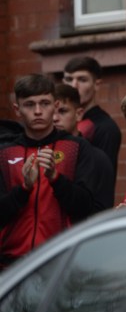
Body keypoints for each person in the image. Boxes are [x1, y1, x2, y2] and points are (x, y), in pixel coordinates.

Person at [0, 74, 107, 267]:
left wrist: (55, 178)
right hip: (12, 265)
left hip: (62, 262)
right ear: (17, 110)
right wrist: (24, 189)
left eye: (45, 103)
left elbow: (87, 208)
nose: (38, 111)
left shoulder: (76, 147)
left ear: (55, 106)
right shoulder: (5, 153)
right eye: (29, 105)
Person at [52, 83, 116, 208]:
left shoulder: (97, 158)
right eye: (51, 112)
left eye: (62, 111)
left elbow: (102, 209)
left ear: (78, 114)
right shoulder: (40, 153)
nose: (55, 118)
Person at [62, 55, 122, 185]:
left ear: (97, 84)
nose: (74, 86)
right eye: (69, 79)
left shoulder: (105, 128)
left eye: (82, 80)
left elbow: (102, 180)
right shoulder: (57, 122)